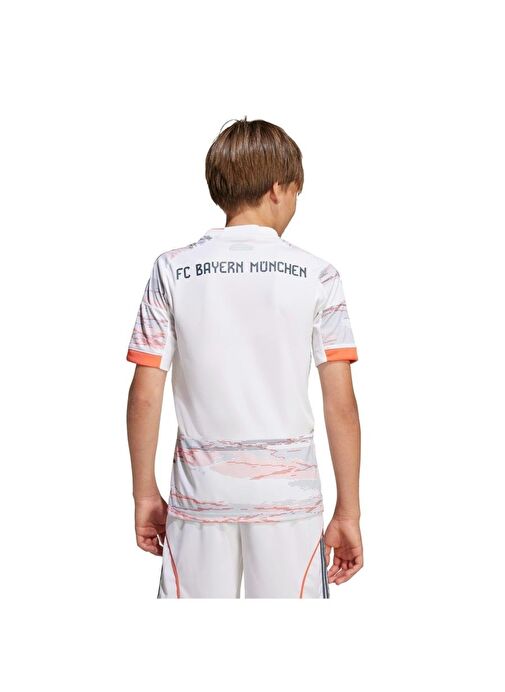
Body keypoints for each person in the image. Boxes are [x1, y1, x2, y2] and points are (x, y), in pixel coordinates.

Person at [126, 117, 363, 598]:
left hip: (200, 494)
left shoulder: (171, 270)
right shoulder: (318, 276)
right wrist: (349, 511)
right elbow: (340, 404)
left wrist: (144, 491)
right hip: (288, 498)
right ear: (278, 188)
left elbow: (145, 393)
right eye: (296, 192)